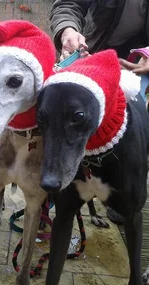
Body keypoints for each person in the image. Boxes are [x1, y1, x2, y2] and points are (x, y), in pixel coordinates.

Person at [49, 0, 149, 225]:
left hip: (138, 63)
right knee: (64, 115)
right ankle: (53, 194)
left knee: (135, 119)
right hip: (92, 52)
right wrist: (68, 29)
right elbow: (68, 4)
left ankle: (119, 190)